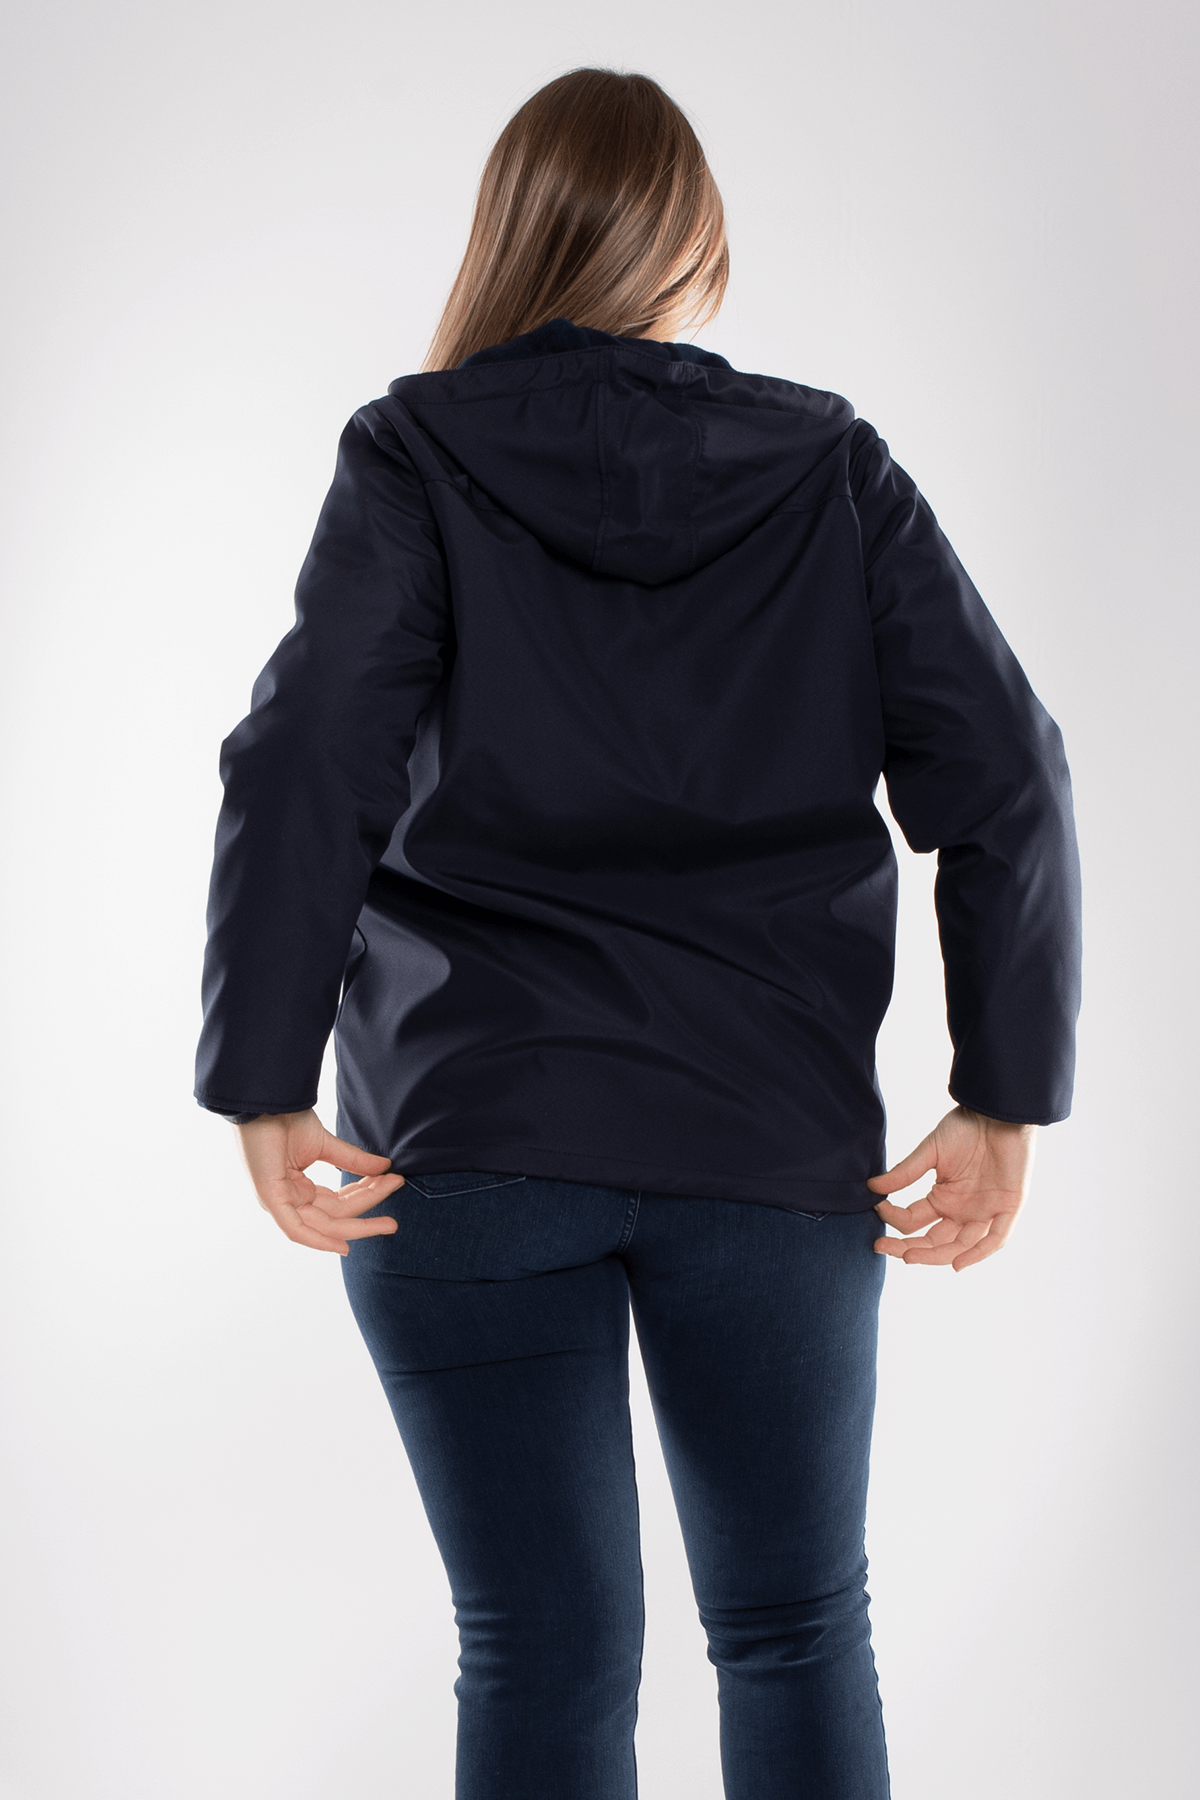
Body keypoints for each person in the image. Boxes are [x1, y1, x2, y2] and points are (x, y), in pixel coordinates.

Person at [194, 66, 1081, 1800]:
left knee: (539, 1652)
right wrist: (1004, 1092)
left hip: (467, 1139)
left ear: (508, 241)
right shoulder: (831, 469)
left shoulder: (414, 454)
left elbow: (302, 758)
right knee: (797, 1630)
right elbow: (1012, 772)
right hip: (768, 1146)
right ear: (702, 254)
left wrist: (262, 1076)